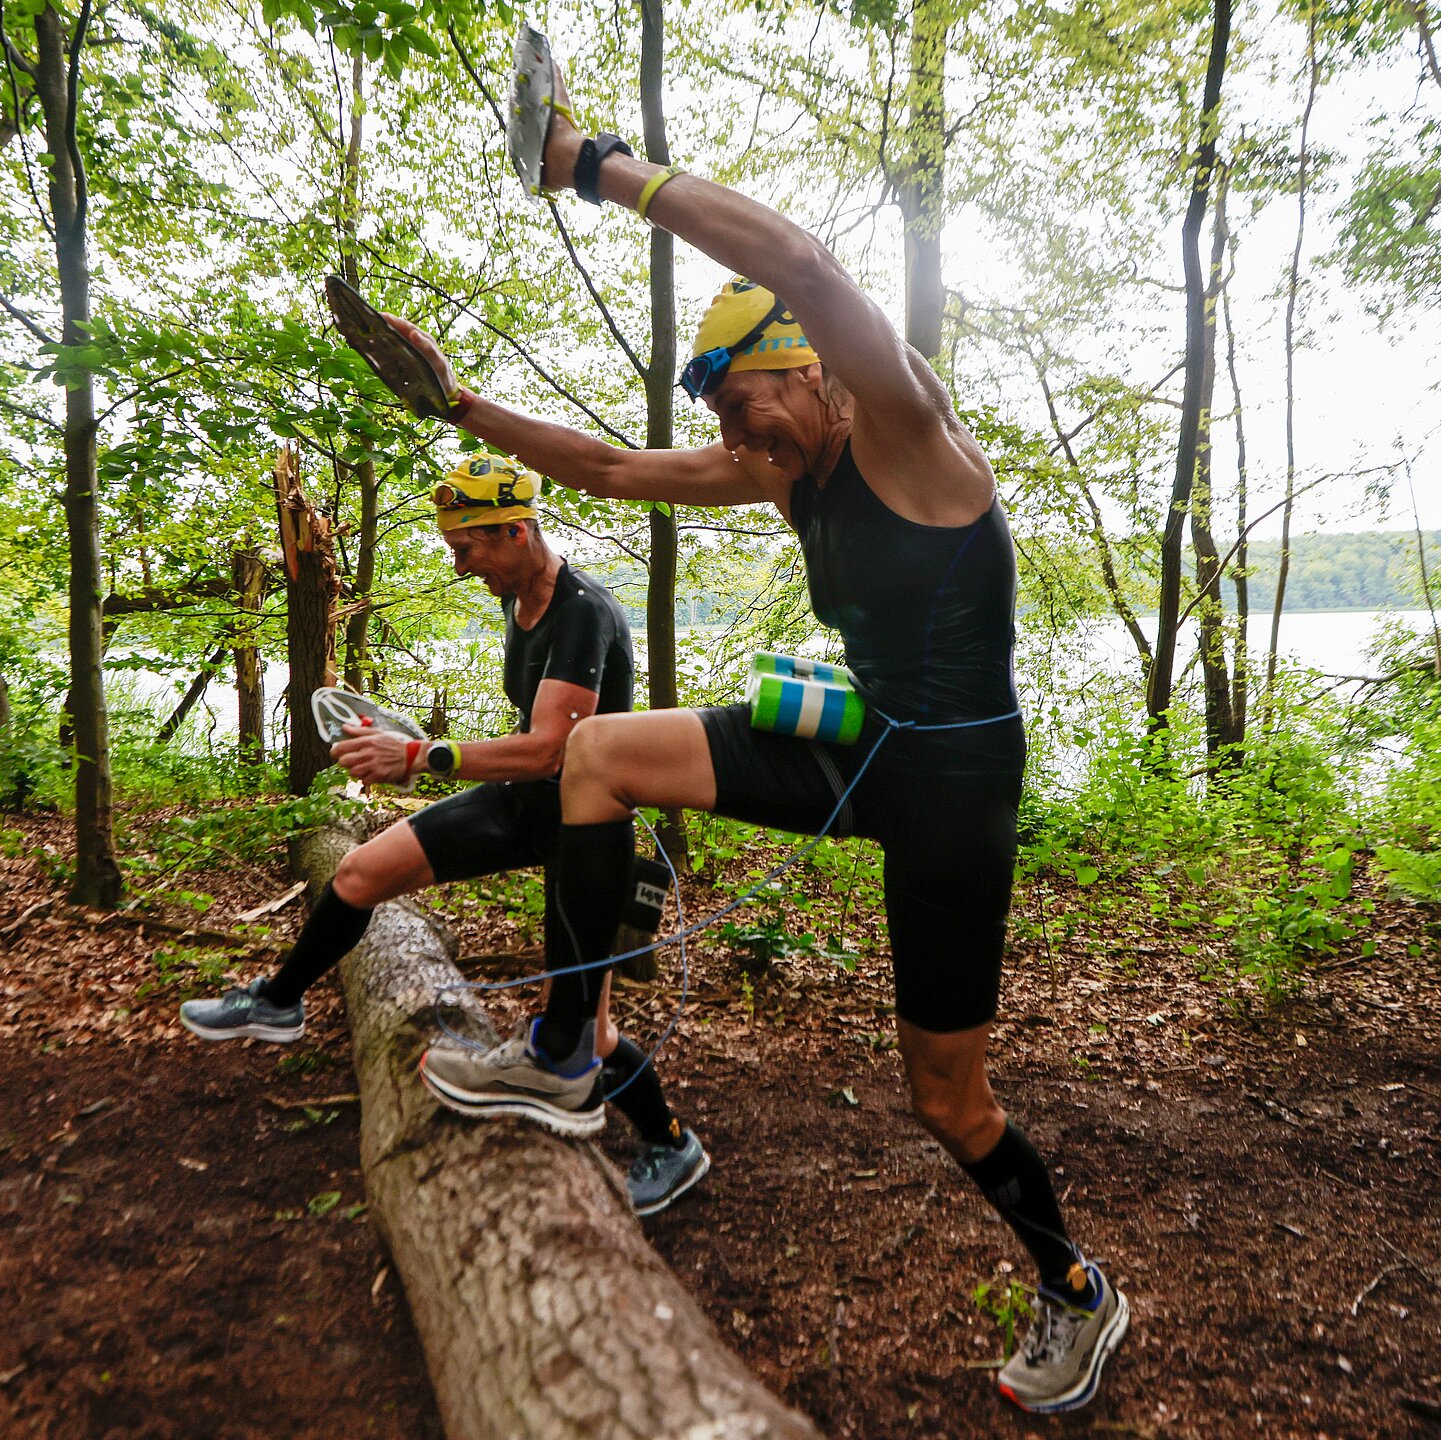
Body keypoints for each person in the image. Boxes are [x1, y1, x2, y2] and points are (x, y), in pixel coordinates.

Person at [386, 65, 1128, 1416]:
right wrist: (462, 415)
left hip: (957, 781)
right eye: (725, 422)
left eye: (749, 407)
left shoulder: (908, 430)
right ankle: (564, 1050)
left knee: (946, 1099)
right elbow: (612, 473)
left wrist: (590, 162)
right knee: (596, 756)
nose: (739, 441)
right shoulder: (787, 467)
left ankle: (1075, 1289)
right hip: (860, 745)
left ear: (814, 371)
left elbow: (796, 254)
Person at [180, 454, 710, 1216]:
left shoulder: (584, 611)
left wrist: (424, 755)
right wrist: (400, 742)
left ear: (519, 532)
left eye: (470, 549)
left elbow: (554, 747)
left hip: (584, 834)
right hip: (521, 805)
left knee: (589, 1036)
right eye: (454, 551)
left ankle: (670, 1142)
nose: (462, 567)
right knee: (360, 872)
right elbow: (529, 751)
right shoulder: (514, 599)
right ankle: (278, 1001)